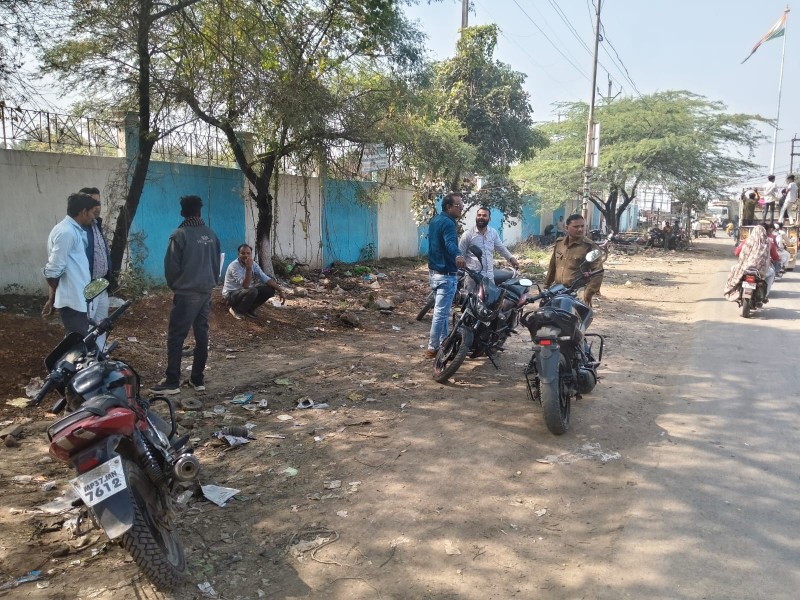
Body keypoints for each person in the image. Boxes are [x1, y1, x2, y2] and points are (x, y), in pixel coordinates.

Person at [149, 195, 221, 395]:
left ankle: (172, 381)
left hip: (186, 293)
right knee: (201, 334)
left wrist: (176, 286)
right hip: (206, 291)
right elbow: (217, 262)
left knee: (176, 336)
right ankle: (197, 379)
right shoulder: (211, 234)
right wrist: (210, 282)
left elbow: (171, 267)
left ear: (182, 212)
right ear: (199, 211)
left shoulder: (179, 235)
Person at [42, 192, 100, 336]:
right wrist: (54, 295)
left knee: (78, 341)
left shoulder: (73, 230)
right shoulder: (66, 232)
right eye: (92, 212)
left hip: (78, 298)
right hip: (72, 300)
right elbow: (53, 271)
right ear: (83, 212)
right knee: (77, 342)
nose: (94, 217)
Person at [426, 192, 466, 358]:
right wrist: (458, 255)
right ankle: (432, 348)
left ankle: (443, 341)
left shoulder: (435, 220)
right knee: (441, 313)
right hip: (446, 275)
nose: (461, 208)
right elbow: (450, 242)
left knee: (442, 312)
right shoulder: (449, 223)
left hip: (434, 273)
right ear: (448, 207)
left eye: (462, 205)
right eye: (458, 205)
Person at [78, 187, 114, 347]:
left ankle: (99, 355)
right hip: (89, 286)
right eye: (93, 203)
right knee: (86, 327)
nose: (97, 207)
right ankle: (84, 357)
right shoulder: (79, 229)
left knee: (101, 325)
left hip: (101, 284)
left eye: (98, 202)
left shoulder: (96, 224)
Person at [544, 214, 604, 307]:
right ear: (566, 228)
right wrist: (546, 287)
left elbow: (598, 272)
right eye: (576, 227)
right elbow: (552, 267)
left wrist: (587, 293)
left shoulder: (590, 246)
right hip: (558, 290)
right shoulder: (559, 244)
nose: (580, 229)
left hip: (576, 293)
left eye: (582, 226)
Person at [458, 206, 520, 293]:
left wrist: (511, 258)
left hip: (489, 277)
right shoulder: (468, 234)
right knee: (471, 300)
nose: (481, 217)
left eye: (484, 215)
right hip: (472, 278)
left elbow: (501, 248)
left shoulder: (493, 233)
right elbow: (459, 253)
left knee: (490, 300)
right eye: (479, 215)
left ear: (489, 219)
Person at [223, 243, 287, 319]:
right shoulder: (234, 266)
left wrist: (280, 290)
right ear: (238, 254)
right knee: (252, 291)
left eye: (248, 253)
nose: (246, 255)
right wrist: (249, 268)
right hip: (231, 295)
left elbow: (265, 278)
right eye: (243, 253)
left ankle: (250, 309)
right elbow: (245, 286)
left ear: (251, 254)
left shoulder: (253, 264)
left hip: (244, 292)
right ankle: (236, 310)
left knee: (269, 290)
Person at [724, 225, 777, 302]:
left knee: (733, 270)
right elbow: (775, 256)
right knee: (771, 273)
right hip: (760, 270)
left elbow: (736, 252)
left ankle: (733, 289)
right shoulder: (768, 242)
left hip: (745, 268)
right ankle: (765, 295)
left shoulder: (747, 241)